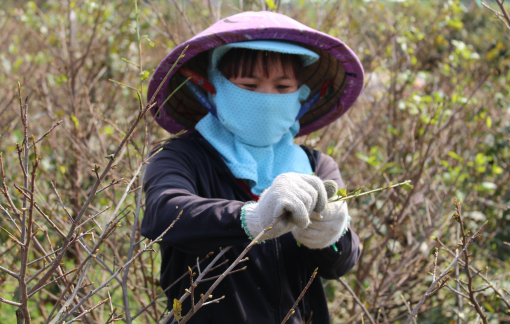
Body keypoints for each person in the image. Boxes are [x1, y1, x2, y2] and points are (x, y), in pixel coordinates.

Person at [142, 11, 364, 324]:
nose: (267, 98)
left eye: (283, 86)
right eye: (249, 84)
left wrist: (331, 234)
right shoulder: (181, 156)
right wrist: (252, 218)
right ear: (212, 88)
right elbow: (163, 214)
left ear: (301, 95)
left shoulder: (316, 166)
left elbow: (339, 264)